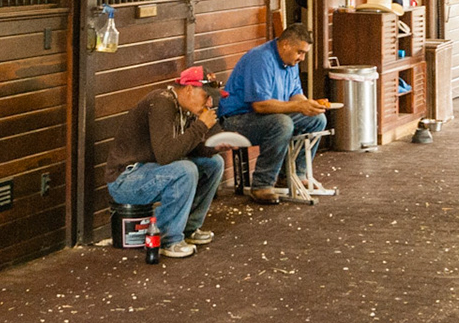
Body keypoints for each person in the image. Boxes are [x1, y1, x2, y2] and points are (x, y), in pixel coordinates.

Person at [105, 65, 226, 259]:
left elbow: (189, 148)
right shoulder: (162, 102)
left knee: (214, 164)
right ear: (189, 89)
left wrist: (217, 146)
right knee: (185, 170)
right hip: (125, 180)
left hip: (149, 172)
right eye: (206, 96)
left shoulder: (185, 108)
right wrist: (201, 126)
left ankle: (189, 228)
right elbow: (166, 154)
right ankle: (167, 239)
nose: (210, 102)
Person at [219, 24, 328, 204]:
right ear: (285, 45)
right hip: (237, 119)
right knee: (281, 123)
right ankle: (262, 184)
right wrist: (300, 106)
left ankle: (294, 174)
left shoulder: (290, 61)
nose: (302, 58)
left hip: (267, 116)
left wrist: (309, 105)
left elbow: (295, 94)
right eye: (299, 52)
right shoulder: (260, 59)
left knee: (316, 119)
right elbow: (260, 106)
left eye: (304, 53)